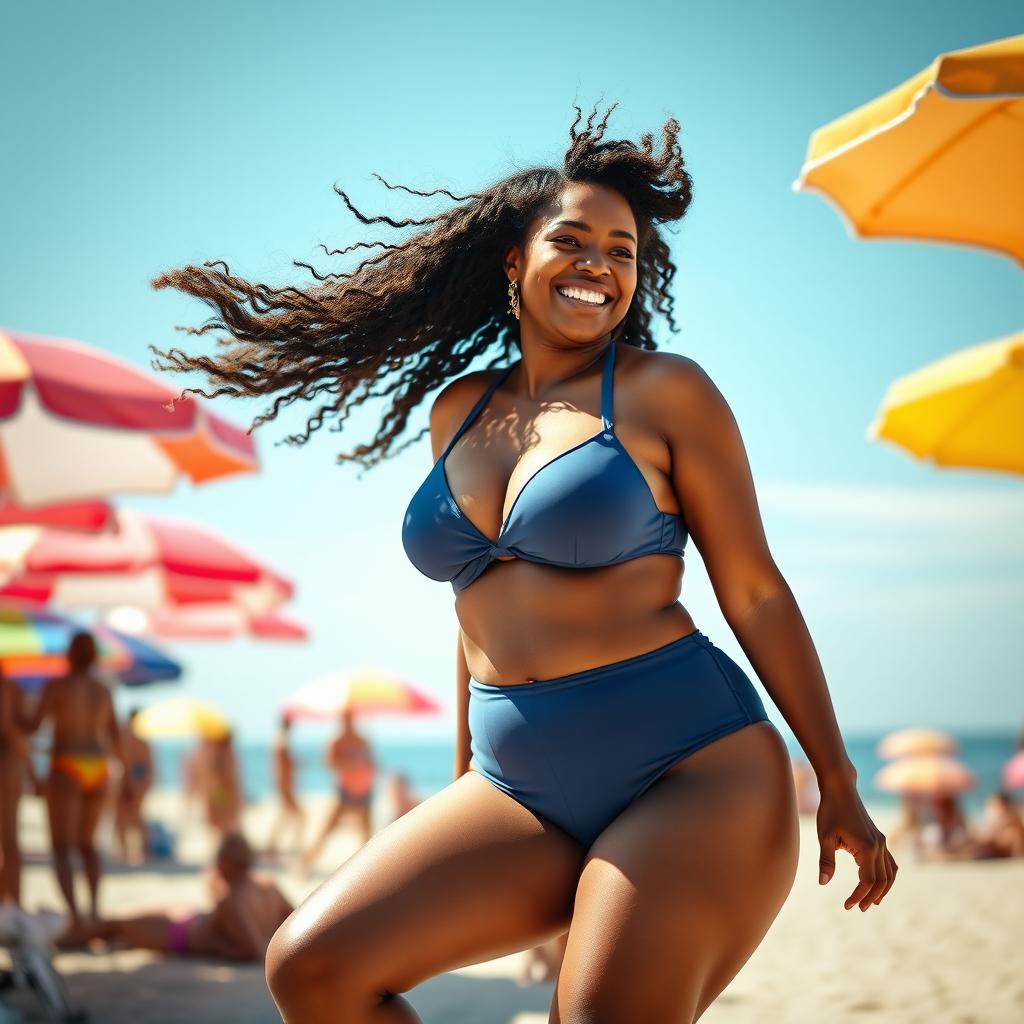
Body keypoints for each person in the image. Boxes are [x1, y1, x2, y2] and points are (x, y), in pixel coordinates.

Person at [151, 102, 897, 1023]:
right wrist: (467, 778)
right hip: (517, 789)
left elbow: (754, 589)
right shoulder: (456, 412)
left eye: (622, 251)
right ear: (516, 261)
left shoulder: (668, 394)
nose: (599, 266)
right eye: (575, 241)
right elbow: (472, 613)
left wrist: (838, 780)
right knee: (311, 967)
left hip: (692, 771)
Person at [20, 631, 129, 928]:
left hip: (66, 763)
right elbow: (117, 738)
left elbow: (32, 725)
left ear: (69, 654)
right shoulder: (103, 690)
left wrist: (13, 707)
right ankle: (94, 911)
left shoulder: (57, 685)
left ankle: (76, 916)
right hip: (99, 766)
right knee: (88, 846)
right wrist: (127, 779)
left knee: (61, 847)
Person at [59, 832, 293, 962]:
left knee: (115, 924)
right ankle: (69, 935)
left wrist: (215, 947)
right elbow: (295, 921)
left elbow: (251, 949)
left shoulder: (231, 900)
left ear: (225, 863)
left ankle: (61, 942)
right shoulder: (269, 886)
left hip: (181, 935)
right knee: (119, 922)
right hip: (191, 920)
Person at [296, 708, 375, 876]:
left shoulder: (363, 740)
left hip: (364, 792)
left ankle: (370, 871)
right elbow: (329, 764)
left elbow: (372, 763)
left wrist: (364, 765)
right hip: (345, 792)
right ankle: (304, 866)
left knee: (367, 836)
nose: (348, 721)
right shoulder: (336, 741)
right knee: (325, 831)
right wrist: (351, 763)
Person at [0, 664, 40, 908]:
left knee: (9, 842)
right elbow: (15, 733)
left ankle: (10, 903)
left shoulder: (12, 690)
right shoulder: (12, 689)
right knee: (10, 841)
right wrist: (34, 773)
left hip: (8, 762)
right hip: (8, 764)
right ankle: (14, 904)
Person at [113, 708, 154, 865]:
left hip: (131, 774)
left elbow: (125, 758)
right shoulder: (142, 734)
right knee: (135, 815)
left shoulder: (127, 733)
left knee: (125, 816)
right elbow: (149, 763)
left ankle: (126, 850)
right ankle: (139, 849)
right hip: (138, 774)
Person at [264, 713, 305, 863]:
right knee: (299, 816)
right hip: (285, 786)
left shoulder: (278, 741)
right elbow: (283, 766)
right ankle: (295, 846)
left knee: (286, 816)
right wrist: (285, 786)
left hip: (284, 785)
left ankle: (273, 846)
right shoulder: (281, 742)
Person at [199, 730, 243, 840]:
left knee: (222, 825)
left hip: (220, 791)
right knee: (223, 823)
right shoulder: (221, 753)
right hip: (221, 791)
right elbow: (225, 776)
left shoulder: (217, 751)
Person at [971, 790, 1024, 860]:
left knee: (1012, 835)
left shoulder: (1010, 817)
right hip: (997, 845)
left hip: (1004, 847)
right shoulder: (999, 816)